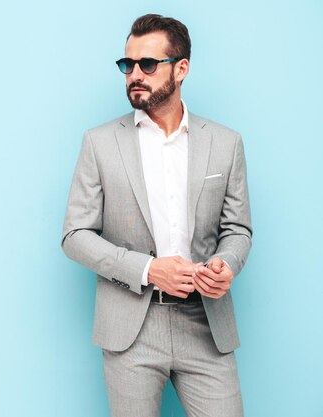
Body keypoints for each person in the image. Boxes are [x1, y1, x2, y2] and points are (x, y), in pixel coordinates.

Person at [61, 14, 252, 417]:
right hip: (132, 327)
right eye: (127, 65)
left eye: (148, 64)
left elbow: (236, 229)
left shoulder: (225, 143)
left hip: (207, 324)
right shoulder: (99, 143)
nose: (134, 74)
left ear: (181, 68)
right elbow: (75, 235)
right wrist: (149, 269)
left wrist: (225, 263)